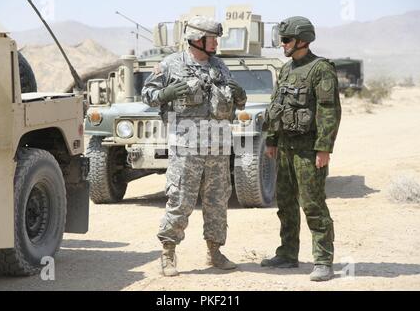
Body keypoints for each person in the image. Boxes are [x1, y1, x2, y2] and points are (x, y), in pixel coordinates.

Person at [142, 16, 247, 277]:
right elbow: (148, 95)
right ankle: (168, 253)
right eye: (212, 38)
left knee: (217, 200)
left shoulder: (220, 66)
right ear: (197, 39)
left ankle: (215, 252)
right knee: (180, 199)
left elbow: (235, 102)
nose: (216, 43)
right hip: (186, 146)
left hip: (218, 146)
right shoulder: (170, 65)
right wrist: (165, 94)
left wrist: (239, 95)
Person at [261, 16, 341, 281]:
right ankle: (287, 254)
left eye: (286, 40)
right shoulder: (285, 70)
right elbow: (276, 106)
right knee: (285, 204)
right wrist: (272, 140)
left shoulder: (321, 69)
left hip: (308, 150)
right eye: (282, 40)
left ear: (302, 40)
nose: (282, 44)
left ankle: (323, 261)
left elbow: (329, 112)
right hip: (284, 148)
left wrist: (324, 148)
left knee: (313, 205)